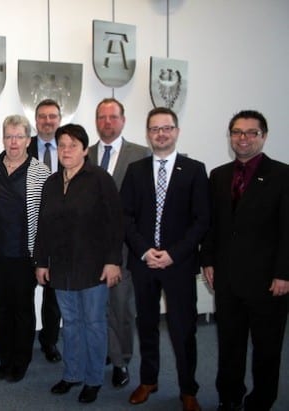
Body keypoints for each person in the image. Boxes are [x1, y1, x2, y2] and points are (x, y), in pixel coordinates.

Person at [120, 107, 210, 411]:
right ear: (148, 134)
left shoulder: (195, 170)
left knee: (183, 328)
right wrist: (146, 251)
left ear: (177, 131)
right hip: (144, 262)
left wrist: (173, 254)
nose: (161, 133)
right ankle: (148, 380)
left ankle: (188, 388)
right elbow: (126, 217)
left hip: (179, 264)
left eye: (167, 128)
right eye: (155, 128)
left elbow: (201, 220)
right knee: (146, 324)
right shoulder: (136, 170)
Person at [200, 110, 289, 411]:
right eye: (237, 132)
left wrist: (284, 273)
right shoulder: (219, 175)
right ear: (230, 137)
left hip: (268, 281)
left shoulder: (283, 175)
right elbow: (212, 225)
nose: (243, 138)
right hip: (227, 278)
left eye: (252, 132)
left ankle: (262, 399)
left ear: (263, 136)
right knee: (229, 344)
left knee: (267, 347)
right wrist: (207, 260)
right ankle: (229, 395)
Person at [34, 123, 123, 404]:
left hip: (93, 266)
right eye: (61, 145)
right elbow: (43, 226)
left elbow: (115, 225)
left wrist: (113, 262)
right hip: (61, 267)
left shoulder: (100, 179)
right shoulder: (50, 182)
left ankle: (93, 379)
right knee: (70, 324)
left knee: (94, 324)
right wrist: (41, 262)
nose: (66, 150)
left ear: (85, 149)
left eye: (73, 145)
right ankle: (72, 374)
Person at [0, 115, 51, 382]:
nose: (13, 142)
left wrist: (42, 257)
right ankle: (5, 359)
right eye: (8, 136)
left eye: (19, 136)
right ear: (3, 138)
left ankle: (21, 360)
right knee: (0, 309)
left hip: (24, 255)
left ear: (28, 140)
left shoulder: (41, 172)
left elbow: (47, 218)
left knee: (22, 309)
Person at [88, 98, 150, 388]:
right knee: (94, 309)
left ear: (123, 120)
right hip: (90, 250)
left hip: (125, 250)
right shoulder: (84, 155)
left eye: (113, 117)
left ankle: (121, 361)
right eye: (102, 117)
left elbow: (147, 206)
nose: (107, 122)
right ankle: (103, 352)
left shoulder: (141, 155)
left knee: (121, 308)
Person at [27, 99, 63, 363]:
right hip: (26, 235)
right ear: (35, 120)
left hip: (57, 236)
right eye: (42, 116)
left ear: (59, 119)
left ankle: (49, 341)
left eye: (52, 116)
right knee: (23, 294)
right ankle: (19, 341)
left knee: (53, 295)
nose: (47, 121)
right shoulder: (21, 146)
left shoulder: (68, 147)